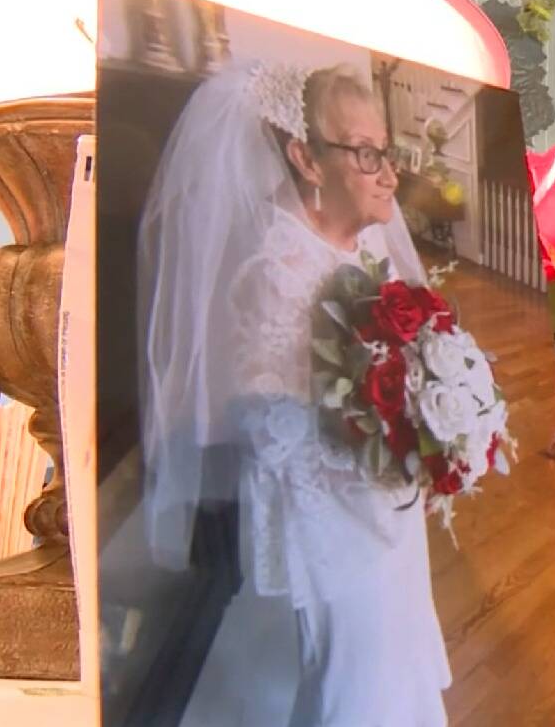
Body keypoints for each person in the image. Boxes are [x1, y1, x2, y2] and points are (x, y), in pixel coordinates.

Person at [138, 61, 450, 726]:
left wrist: (433, 428)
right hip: (335, 517)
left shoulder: (367, 247)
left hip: (386, 496)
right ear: (307, 159)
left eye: (386, 153)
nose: (389, 175)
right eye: (366, 154)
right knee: (354, 672)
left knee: (397, 653)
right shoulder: (278, 270)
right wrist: (385, 447)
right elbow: (271, 425)